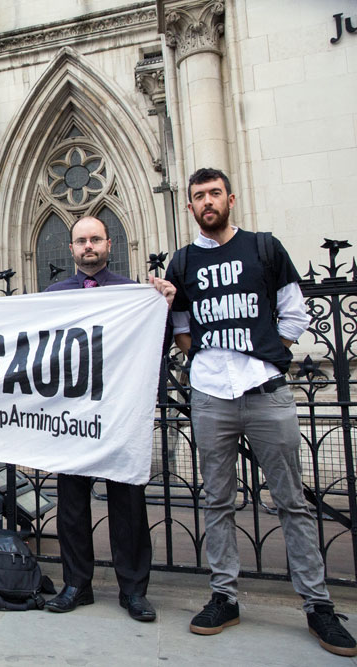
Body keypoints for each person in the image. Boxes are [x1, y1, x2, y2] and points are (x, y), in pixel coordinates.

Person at [166, 167, 357, 656]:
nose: (207, 202)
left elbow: (294, 312)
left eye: (214, 194)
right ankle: (224, 596)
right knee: (217, 501)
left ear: (230, 198)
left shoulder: (264, 249)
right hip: (210, 395)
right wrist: (202, 356)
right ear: (189, 207)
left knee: (291, 501)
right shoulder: (183, 261)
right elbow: (181, 323)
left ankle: (317, 605)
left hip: (265, 390)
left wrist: (270, 351)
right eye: (198, 197)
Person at [0, 217, 174, 620]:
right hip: (70, 419)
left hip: (117, 417)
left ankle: (134, 591)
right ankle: (76, 584)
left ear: (109, 244)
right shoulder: (54, 294)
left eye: (95, 240)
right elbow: (14, 327)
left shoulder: (133, 293)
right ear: (71, 250)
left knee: (129, 507)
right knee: (71, 506)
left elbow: (160, 340)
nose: (89, 247)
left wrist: (163, 302)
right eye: (81, 241)